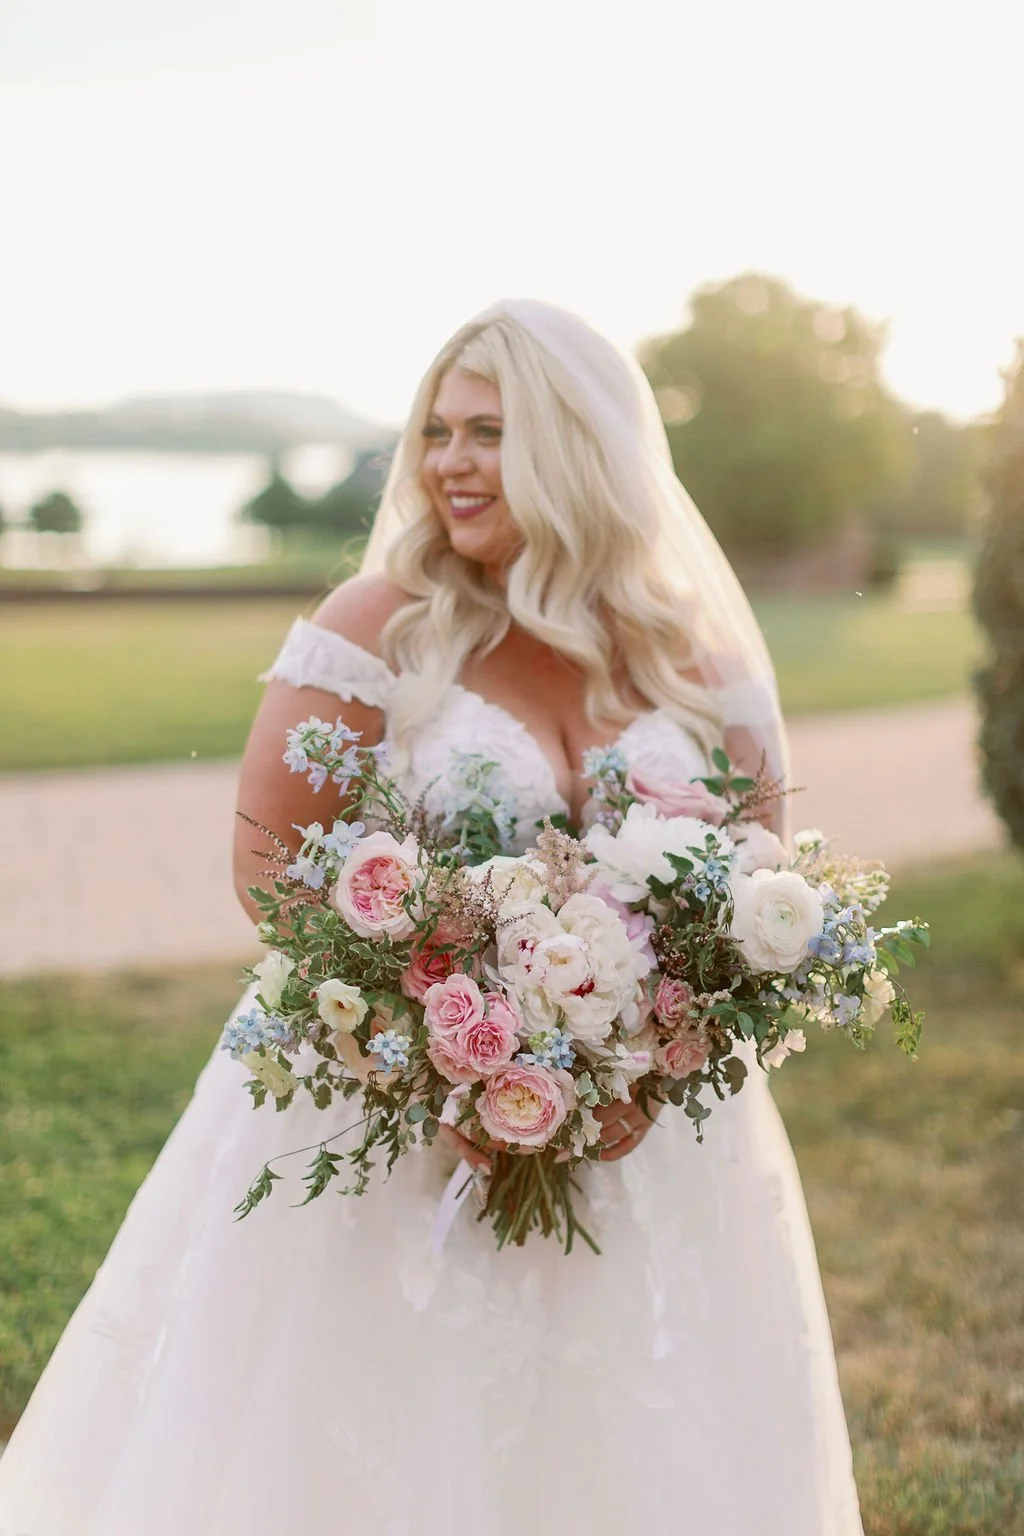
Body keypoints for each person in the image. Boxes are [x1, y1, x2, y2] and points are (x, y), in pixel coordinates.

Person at [0, 300, 863, 1535]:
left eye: (488, 432)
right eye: (436, 431)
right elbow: (273, 869)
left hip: (647, 1122)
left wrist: (643, 1062)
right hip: (399, 1108)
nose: (448, 462)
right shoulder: (380, 625)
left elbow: (761, 877)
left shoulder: (691, 654)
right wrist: (449, 1059)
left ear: (575, 446)